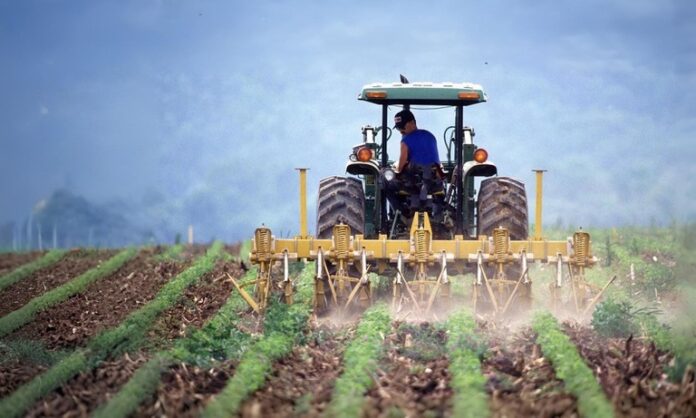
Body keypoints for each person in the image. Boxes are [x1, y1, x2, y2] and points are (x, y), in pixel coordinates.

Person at [393, 109, 440, 173]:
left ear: (412, 122)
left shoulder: (405, 141)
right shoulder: (430, 136)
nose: (401, 131)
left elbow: (401, 167)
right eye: (398, 128)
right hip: (435, 174)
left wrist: (398, 170)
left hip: (417, 175)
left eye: (402, 127)